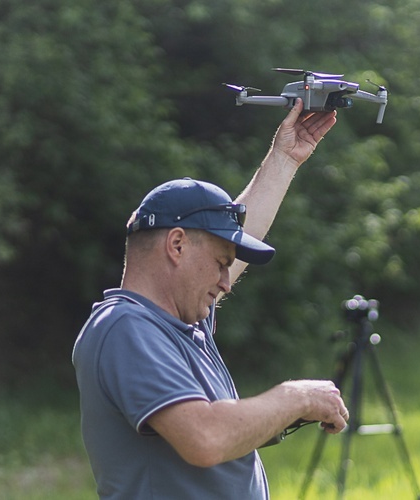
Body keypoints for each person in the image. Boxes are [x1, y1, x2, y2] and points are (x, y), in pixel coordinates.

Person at [72, 99, 349, 499]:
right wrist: (296, 396)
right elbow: (204, 438)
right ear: (178, 246)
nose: (226, 281)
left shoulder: (182, 324)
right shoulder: (124, 328)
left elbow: (235, 230)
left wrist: (284, 159)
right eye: (220, 264)